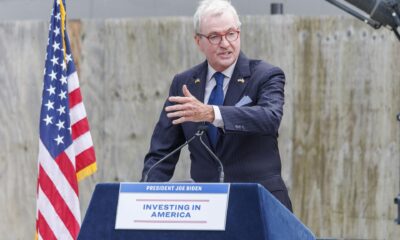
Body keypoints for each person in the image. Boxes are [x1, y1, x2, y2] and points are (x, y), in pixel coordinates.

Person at [141, 0, 292, 211]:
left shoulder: (265, 75)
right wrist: (144, 199)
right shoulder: (184, 84)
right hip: (206, 208)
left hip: (259, 203)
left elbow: (269, 118)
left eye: (231, 33)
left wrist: (211, 113)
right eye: (214, 36)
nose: (225, 43)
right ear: (198, 41)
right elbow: (161, 153)